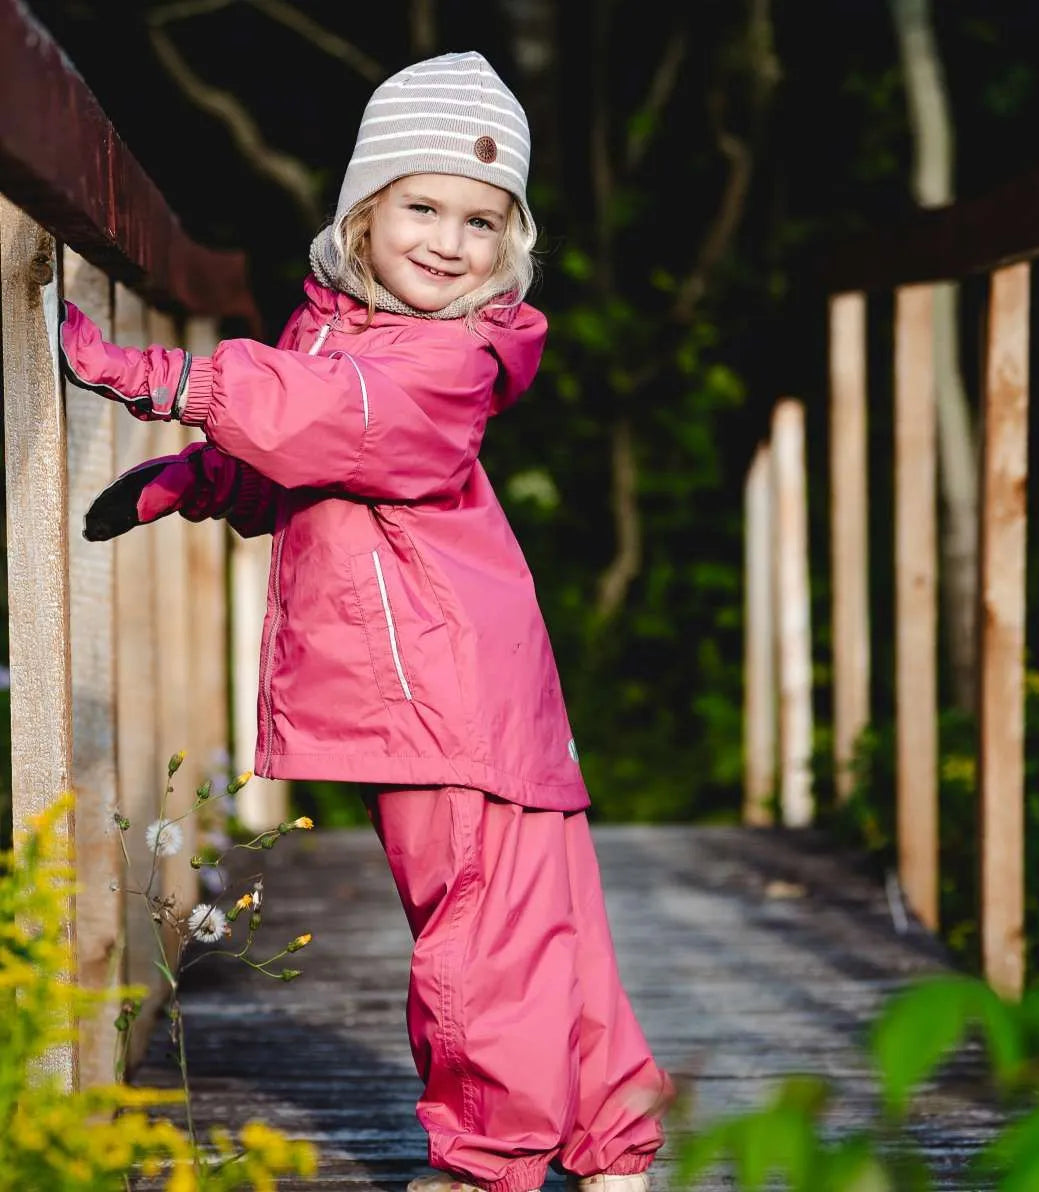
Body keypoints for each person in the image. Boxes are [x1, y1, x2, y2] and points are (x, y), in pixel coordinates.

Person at [61, 49, 672, 1192]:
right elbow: (303, 457)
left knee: (478, 939)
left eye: (484, 222)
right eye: (423, 206)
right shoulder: (333, 339)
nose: (450, 240)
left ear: (512, 249)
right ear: (361, 214)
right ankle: (611, 1149)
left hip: (449, 691)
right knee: (546, 927)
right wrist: (187, 481)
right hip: (462, 685)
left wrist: (168, 377)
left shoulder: (449, 356)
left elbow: (337, 423)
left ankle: (488, 1164)